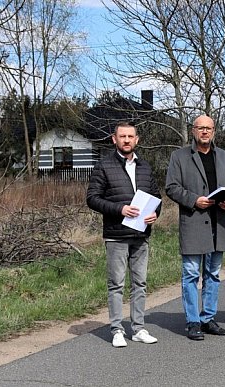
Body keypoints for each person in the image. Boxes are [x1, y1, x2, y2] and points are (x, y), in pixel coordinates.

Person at [86, 122, 161, 348]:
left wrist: (154, 214)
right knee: (116, 284)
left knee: (140, 283)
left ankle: (138, 328)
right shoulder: (104, 165)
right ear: (114, 139)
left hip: (141, 235)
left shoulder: (145, 167)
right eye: (122, 136)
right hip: (116, 235)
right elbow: (92, 198)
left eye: (130, 136)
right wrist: (120, 209)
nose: (126, 140)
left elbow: (157, 197)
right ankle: (117, 329)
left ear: (137, 139)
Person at [165, 114, 225, 341]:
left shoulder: (224, 156)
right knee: (191, 274)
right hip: (194, 221)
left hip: (219, 222)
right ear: (193, 130)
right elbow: (172, 187)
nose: (204, 132)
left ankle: (208, 318)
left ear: (214, 131)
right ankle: (193, 321)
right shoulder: (179, 156)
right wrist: (193, 200)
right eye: (200, 128)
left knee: (213, 274)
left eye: (209, 128)